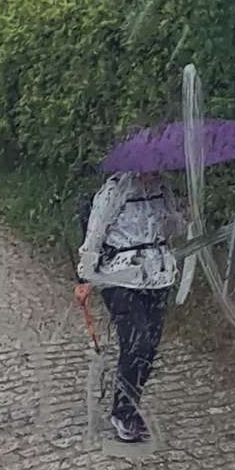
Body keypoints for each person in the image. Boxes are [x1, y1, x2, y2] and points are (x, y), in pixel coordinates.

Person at [76, 168, 182, 443]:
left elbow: (172, 229)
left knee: (150, 348)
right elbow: (94, 234)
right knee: (137, 344)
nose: (151, 173)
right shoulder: (114, 190)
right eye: (147, 170)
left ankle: (129, 406)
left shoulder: (163, 188)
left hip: (158, 276)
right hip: (119, 277)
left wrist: (177, 217)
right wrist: (85, 277)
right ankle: (123, 413)